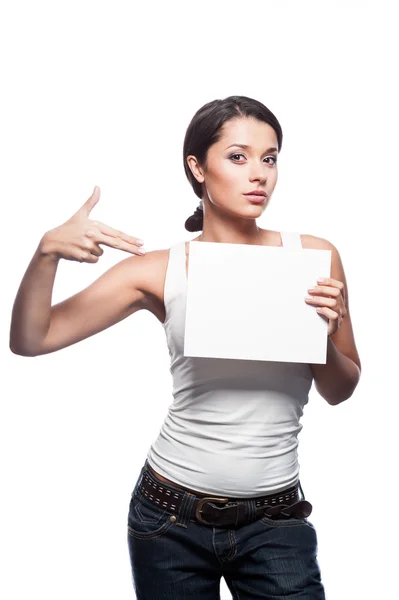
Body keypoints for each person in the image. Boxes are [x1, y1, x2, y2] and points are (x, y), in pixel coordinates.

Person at [10, 95, 361, 600]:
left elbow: (341, 389)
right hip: (168, 515)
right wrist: (46, 254)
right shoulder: (158, 269)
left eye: (270, 157)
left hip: (275, 519)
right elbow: (31, 338)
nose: (258, 173)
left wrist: (322, 335)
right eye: (238, 157)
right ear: (197, 168)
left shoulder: (313, 256)